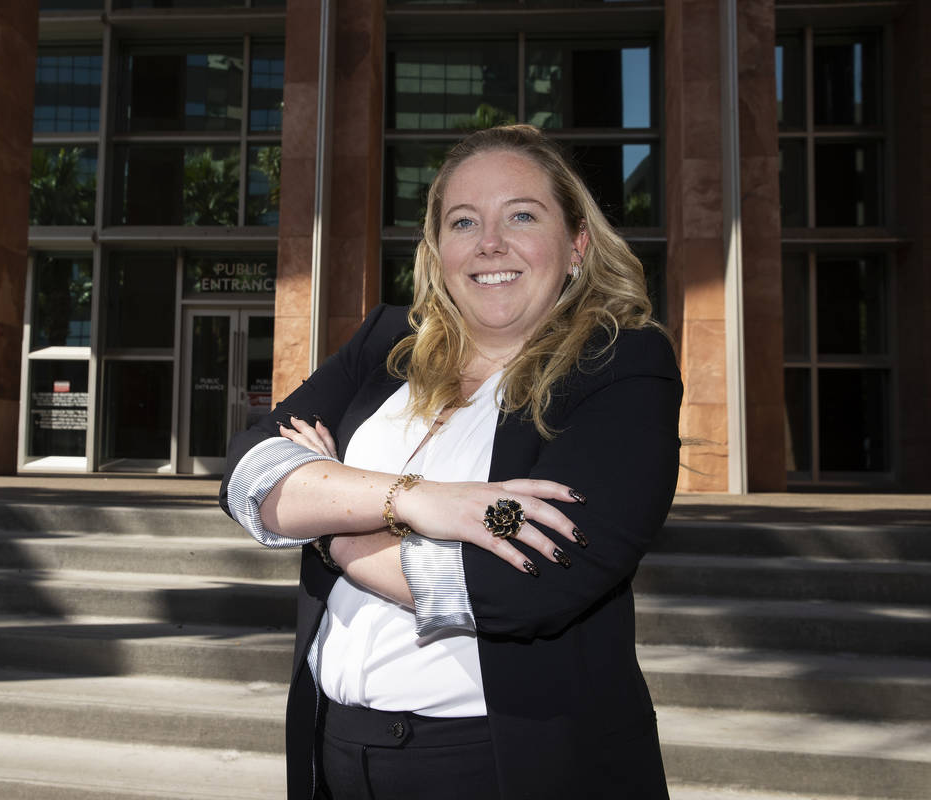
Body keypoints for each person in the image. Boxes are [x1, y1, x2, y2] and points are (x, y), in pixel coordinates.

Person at [219, 124, 682, 800]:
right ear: (438, 252)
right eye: (464, 221)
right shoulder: (386, 342)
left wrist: (332, 529)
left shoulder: (623, 365)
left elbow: (526, 582)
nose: (490, 242)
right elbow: (247, 472)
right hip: (334, 750)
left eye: (521, 215)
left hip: (504, 764)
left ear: (577, 244)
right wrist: (413, 500)